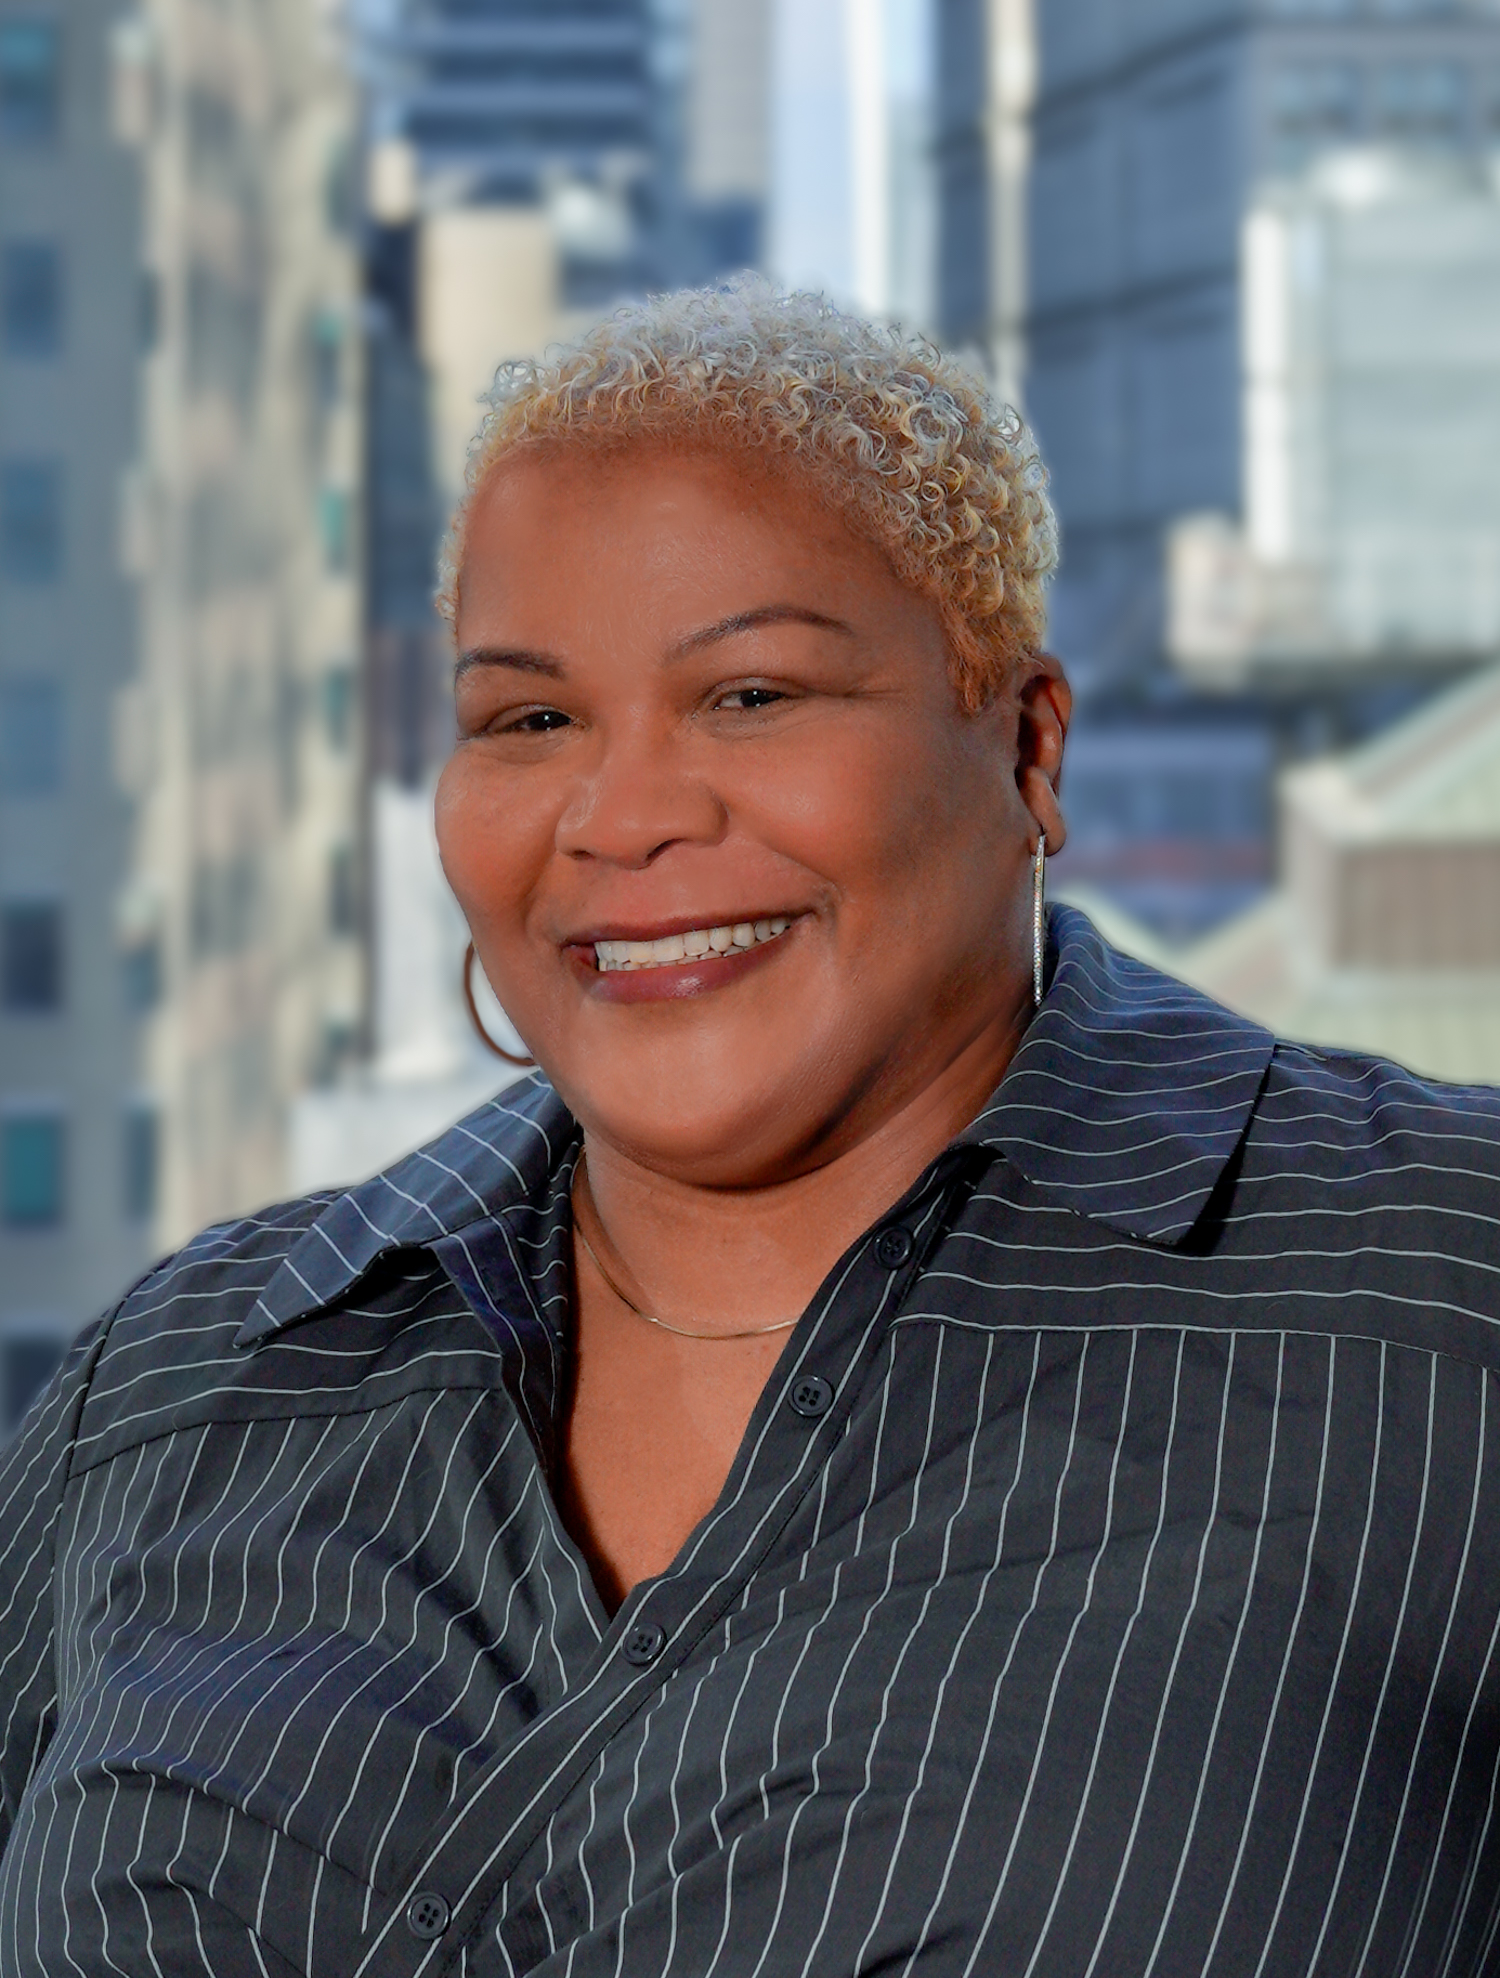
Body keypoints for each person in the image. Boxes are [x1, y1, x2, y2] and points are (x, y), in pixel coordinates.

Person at [3, 281, 1500, 1978]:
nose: (624, 817)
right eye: (530, 719)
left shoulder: (1437, 1298)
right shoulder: (178, 1387)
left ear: (1027, 746)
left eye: (753, 695)